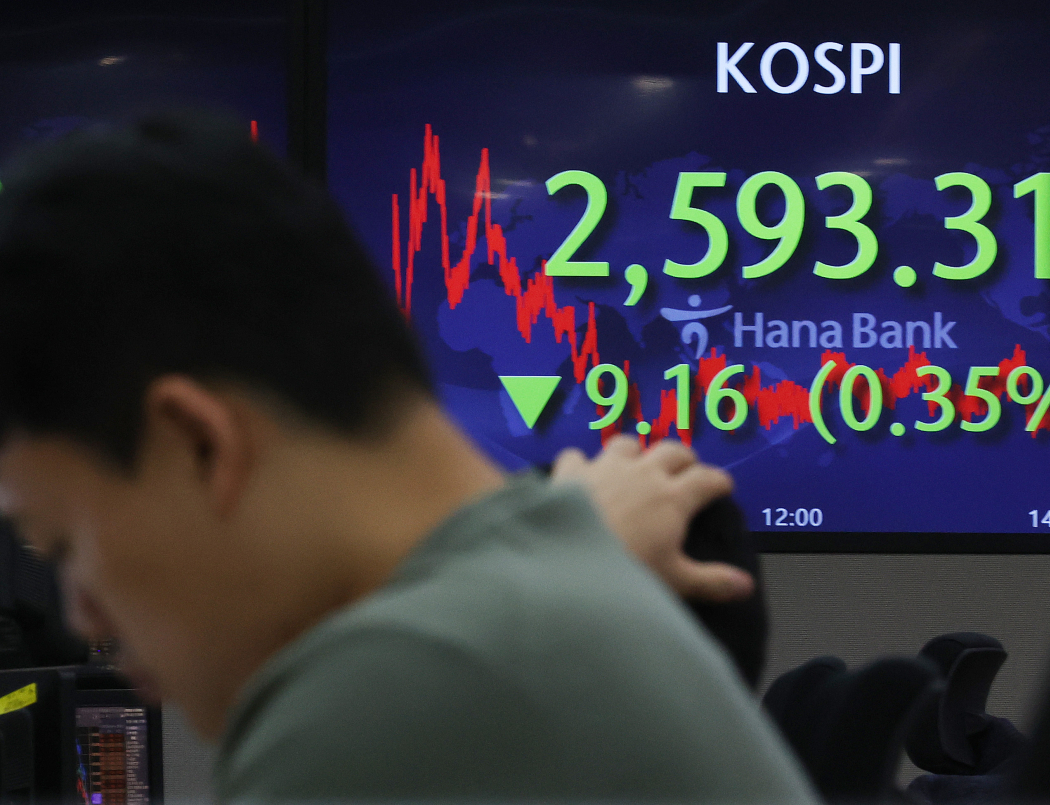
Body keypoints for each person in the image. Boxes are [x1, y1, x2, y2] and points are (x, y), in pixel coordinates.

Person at [0, 112, 816, 802]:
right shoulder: (531, 602)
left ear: (199, 442)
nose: (81, 616)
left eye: (66, 545)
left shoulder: (387, 700)